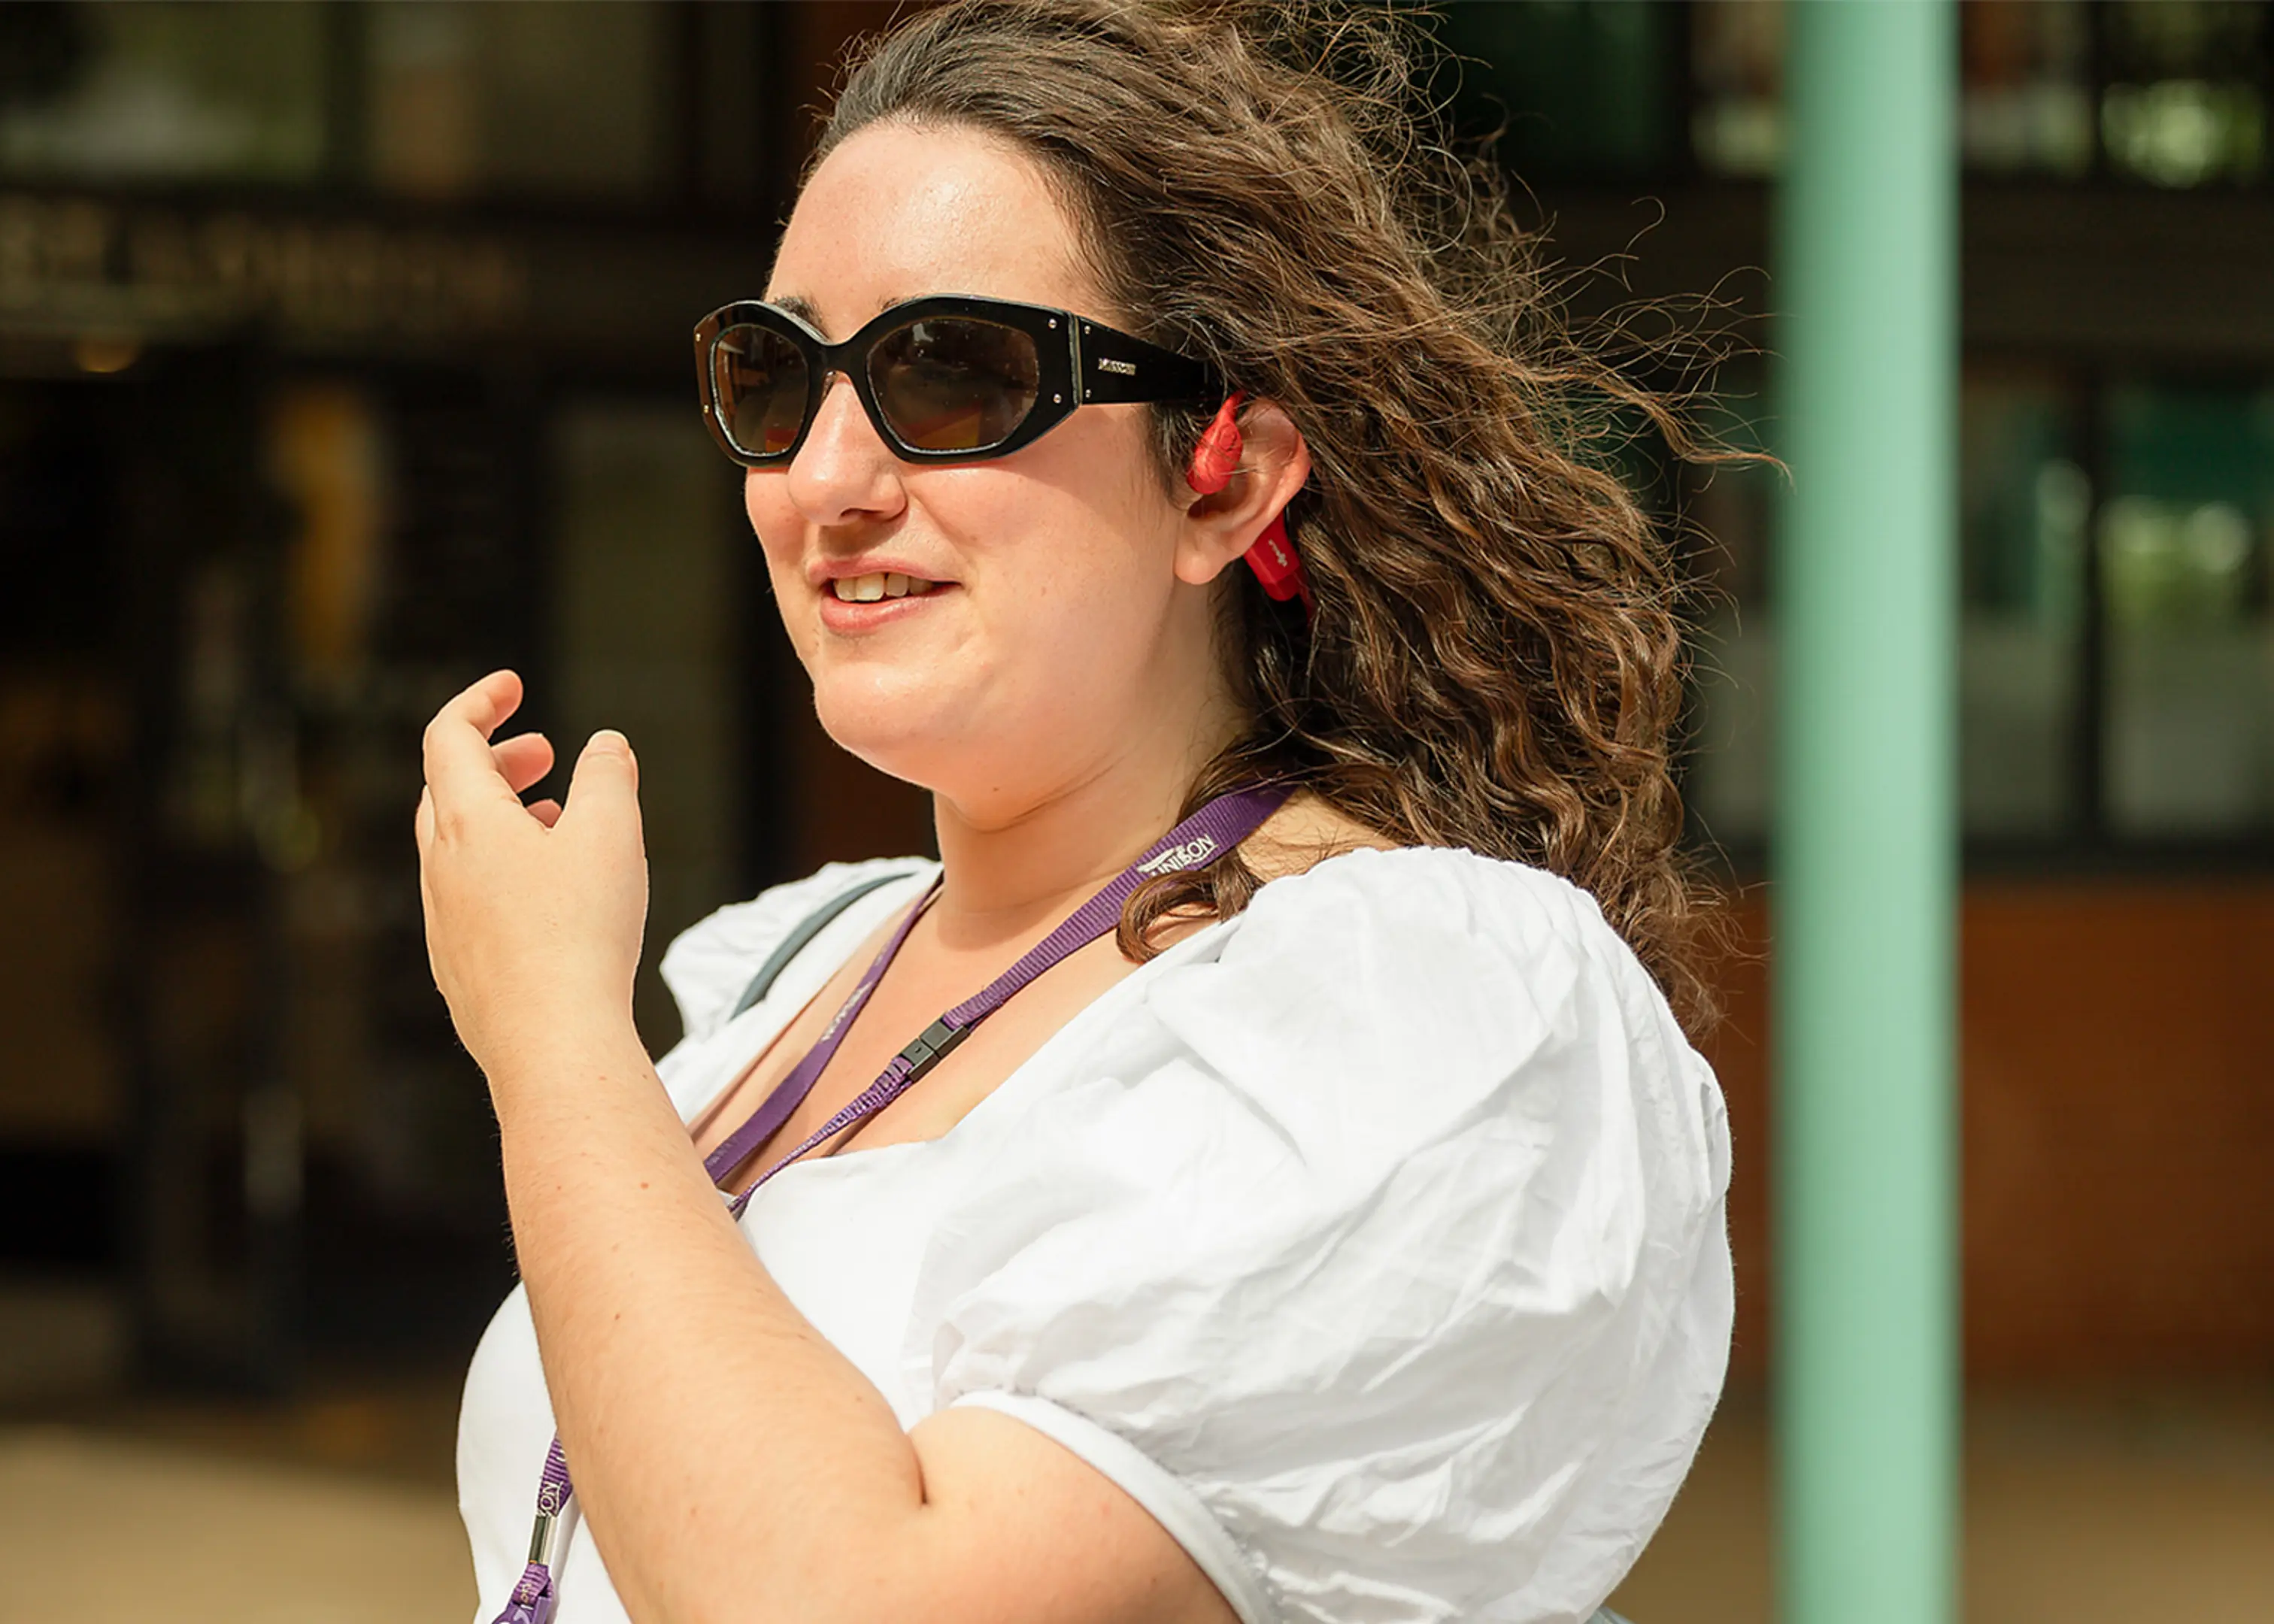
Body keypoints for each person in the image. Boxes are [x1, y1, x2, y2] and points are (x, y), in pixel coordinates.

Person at [417, 3, 1732, 1619]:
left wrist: (551, 1039)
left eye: (951, 373)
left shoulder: (1405, 1012)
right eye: (775, 376)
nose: (826, 477)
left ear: (1226, 477)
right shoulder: (792, 974)